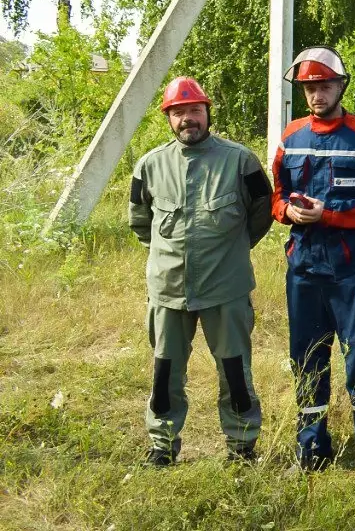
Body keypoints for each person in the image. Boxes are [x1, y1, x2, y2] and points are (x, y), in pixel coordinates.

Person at [271, 45, 355, 487]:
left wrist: (331, 214)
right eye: (309, 87)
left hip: (350, 268)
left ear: (340, 86)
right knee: (306, 359)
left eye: (323, 85)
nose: (316, 95)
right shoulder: (290, 137)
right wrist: (287, 213)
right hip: (304, 267)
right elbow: (276, 195)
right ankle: (311, 450)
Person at [128, 76, 273, 466]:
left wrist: (230, 250)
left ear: (208, 113)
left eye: (194, 110)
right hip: (168, 290)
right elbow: (141, 222)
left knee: (235, 375)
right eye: (178, 112)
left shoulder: (240, 161)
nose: (187, 119)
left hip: (225, 290)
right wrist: (168, 255)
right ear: (168, 118)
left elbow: (263, 212)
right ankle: (162, 446)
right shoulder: (150, 166)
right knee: (165, 374)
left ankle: (242, 446)